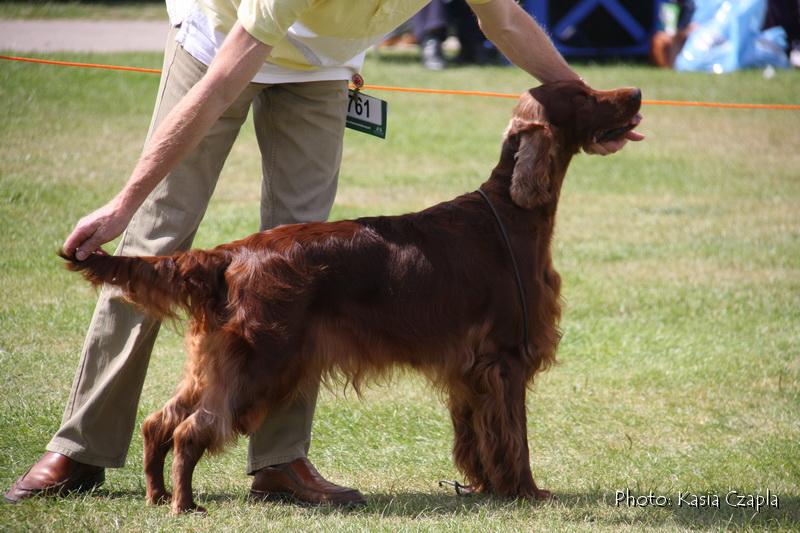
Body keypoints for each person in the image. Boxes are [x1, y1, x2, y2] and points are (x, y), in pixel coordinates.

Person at [5, 0, 643, 506]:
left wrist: (581, 107)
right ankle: (81, 447)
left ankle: (279, 462)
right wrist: (123, 201)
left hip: (320, 69)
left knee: (301, 264)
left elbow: (501, 18)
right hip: (223, 45)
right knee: (156, 233)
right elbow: (230, 70)